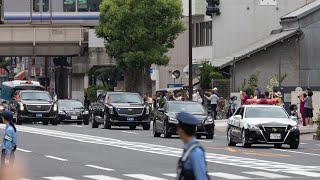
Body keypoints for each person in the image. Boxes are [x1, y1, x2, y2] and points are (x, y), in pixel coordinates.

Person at [176, 112, 209, 180]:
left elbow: (201, 177)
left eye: (178, 128)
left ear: (181, 130)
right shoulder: (188, 148)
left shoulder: (195, 152)